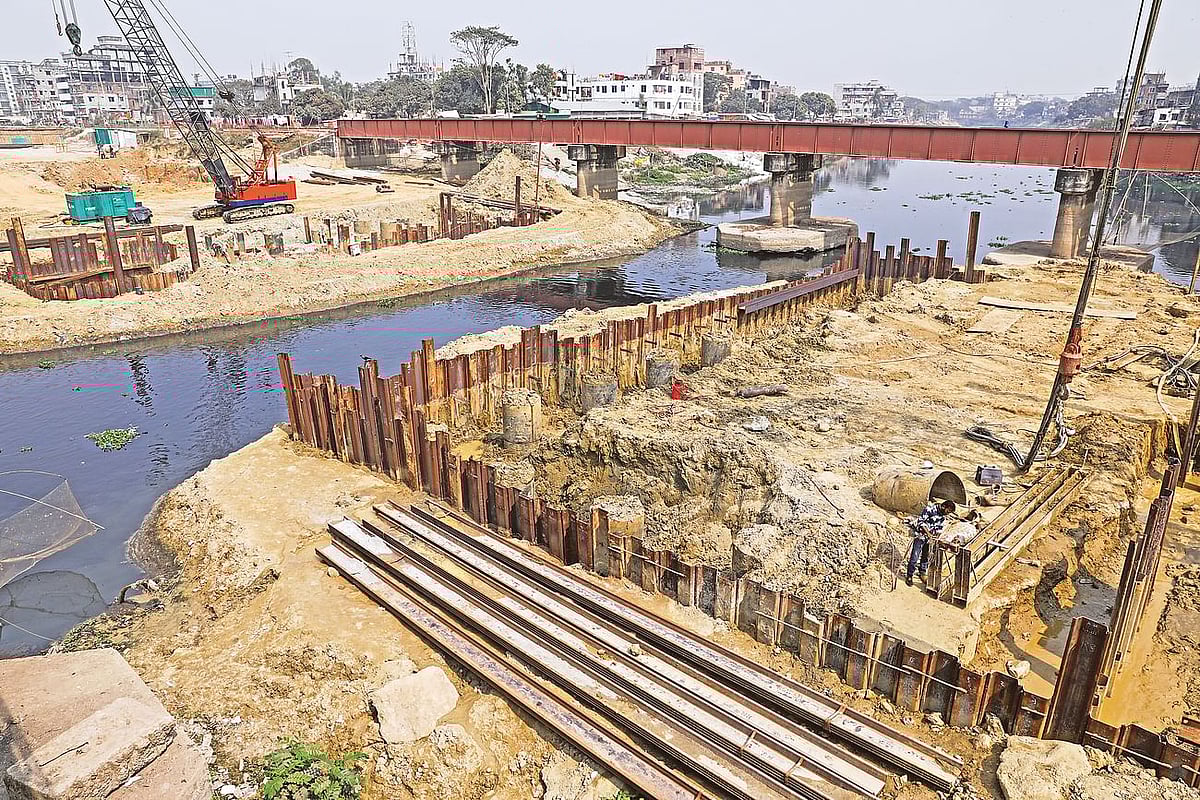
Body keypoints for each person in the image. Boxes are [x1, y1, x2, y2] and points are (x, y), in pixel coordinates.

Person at [906, 499, 956, 586]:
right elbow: (921, 522)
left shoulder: (943, 517)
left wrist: (936, 537)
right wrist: (928, 533)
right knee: (915, 556)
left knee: (925, 556)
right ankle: (909, 575)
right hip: (920, 536)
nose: (948, 513)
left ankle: (922, 572)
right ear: (944, 506)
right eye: (948, 511)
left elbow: (939, 529)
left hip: (929, 539)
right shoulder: (929, 509)